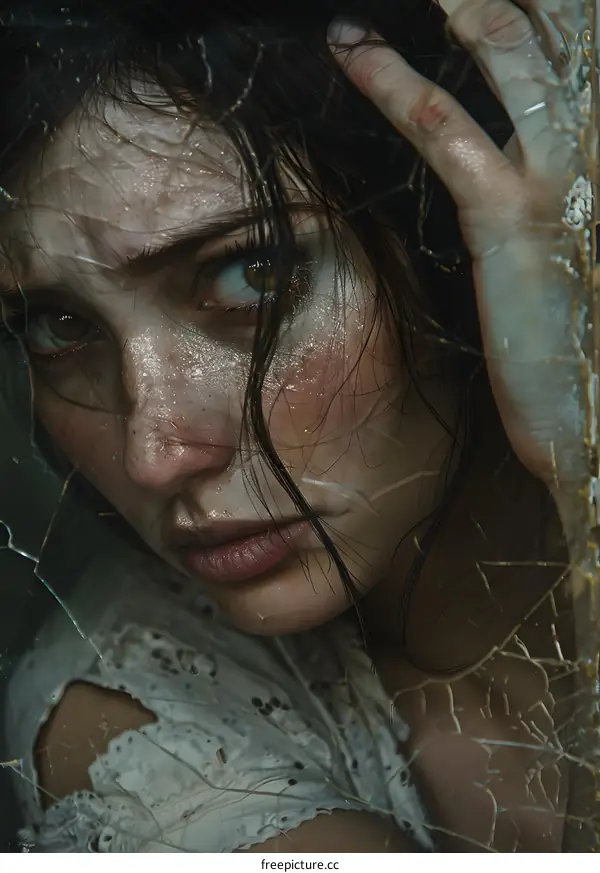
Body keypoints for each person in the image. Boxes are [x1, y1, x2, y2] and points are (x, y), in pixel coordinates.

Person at [0, 0, 594, 853]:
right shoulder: (130, 722)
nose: (154, 455)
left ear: (455, 241)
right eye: (60, 328)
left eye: (250, 274)